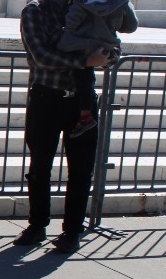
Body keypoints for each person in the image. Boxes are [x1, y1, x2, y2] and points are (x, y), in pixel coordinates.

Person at [16, 0, 112, 254]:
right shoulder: (34, 11)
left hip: (82, 101)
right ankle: (37, 225)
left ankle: (72, 231)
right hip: (46, 98)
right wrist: (85, 60)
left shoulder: (86, 9)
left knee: (81, 171)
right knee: (39, 167)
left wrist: (104, 56)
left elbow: (109, 49)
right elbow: (41, 55)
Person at [57, 0, 138, 137]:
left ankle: (85, 115)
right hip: (106, 43)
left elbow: (72, 21)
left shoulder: (81, 2)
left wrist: (70, 30)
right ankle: (85, 114)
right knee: (87, 76)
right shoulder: (120, 3)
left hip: (81, 42)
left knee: (80, 68)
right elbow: (131, 26)